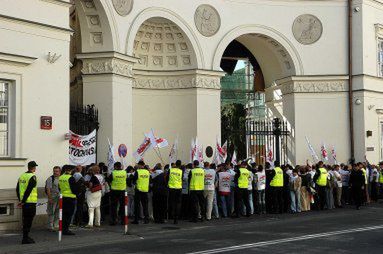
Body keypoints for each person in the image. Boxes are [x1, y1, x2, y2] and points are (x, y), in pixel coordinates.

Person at [16, 161, 38, 244]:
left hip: (24, 203)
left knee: (25, 220)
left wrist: (20, 200)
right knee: (28, 221)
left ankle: (26, 237)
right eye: (35, 167)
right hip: (30, 202)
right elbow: (29, 190)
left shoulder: (22, 176)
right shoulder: (32, 177)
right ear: (34, 168)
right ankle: (25, 238)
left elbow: (17, 189)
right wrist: (24, 201)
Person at [59, 165, 77, 235]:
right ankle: (66, 230)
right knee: (69, 214)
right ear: (71, 170)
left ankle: (63, 229)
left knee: (64, 214)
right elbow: (74, 189)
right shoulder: (71, 178)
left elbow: (59, 187)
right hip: (70, 198)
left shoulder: (61, 177)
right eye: (73, 170)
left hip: (63, 197)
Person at [45, 166, 61, 231]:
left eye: (57, 171)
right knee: (51, 212)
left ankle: (56, 225)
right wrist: (50, 198)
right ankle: (50, 226)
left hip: (60, 198)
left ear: (60, 171)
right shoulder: (50, 179)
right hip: (53, 197)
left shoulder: (62, 178)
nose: (55, 172)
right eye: (54, 171)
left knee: (58, 212)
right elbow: (48, 189)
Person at [167, 160, 183, 224]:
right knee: (178, 203)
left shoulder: (170, 170)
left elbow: (167, 178)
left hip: (171, 188)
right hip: (178, 188)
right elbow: (181, 179)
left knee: (172, 202)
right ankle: (176, 217)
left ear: (175, 164)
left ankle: (172, 215)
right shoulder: (181, 171)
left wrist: (167, 184)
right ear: (180, 164)